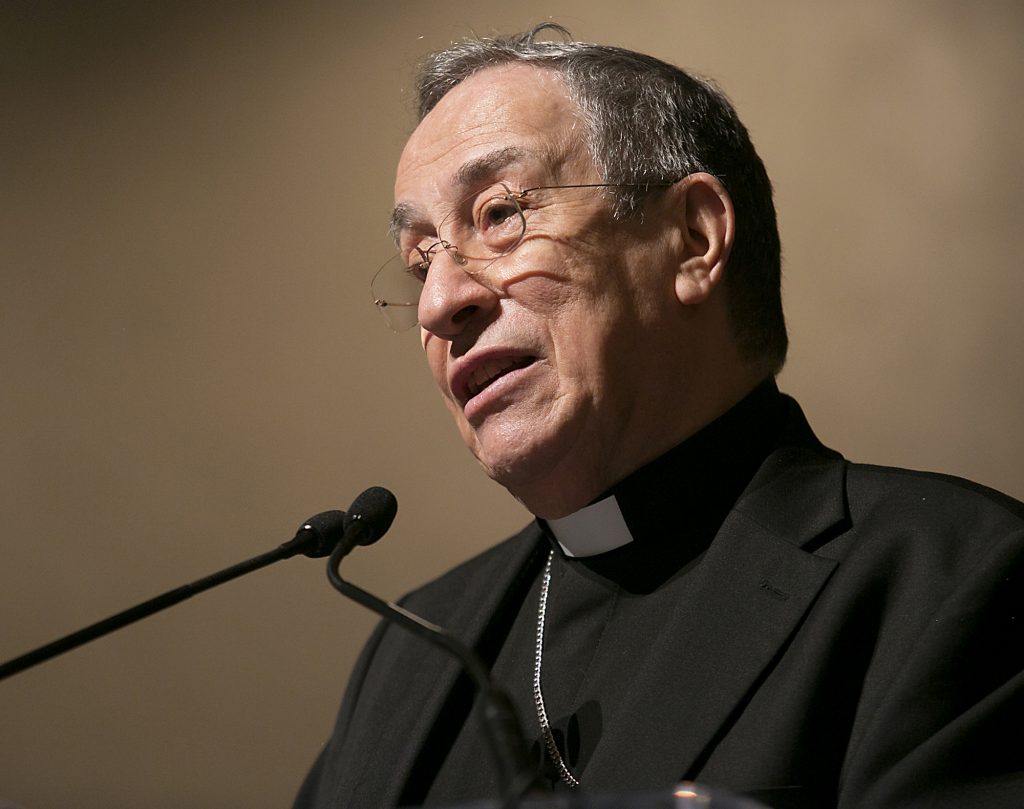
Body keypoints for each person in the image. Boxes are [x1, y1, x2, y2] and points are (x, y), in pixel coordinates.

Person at [295, 25, 1024, 809]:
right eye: (420, 261)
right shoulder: (414, 653)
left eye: (500, 213)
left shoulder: (954, 577)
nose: (440, 303)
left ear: (693, 238)